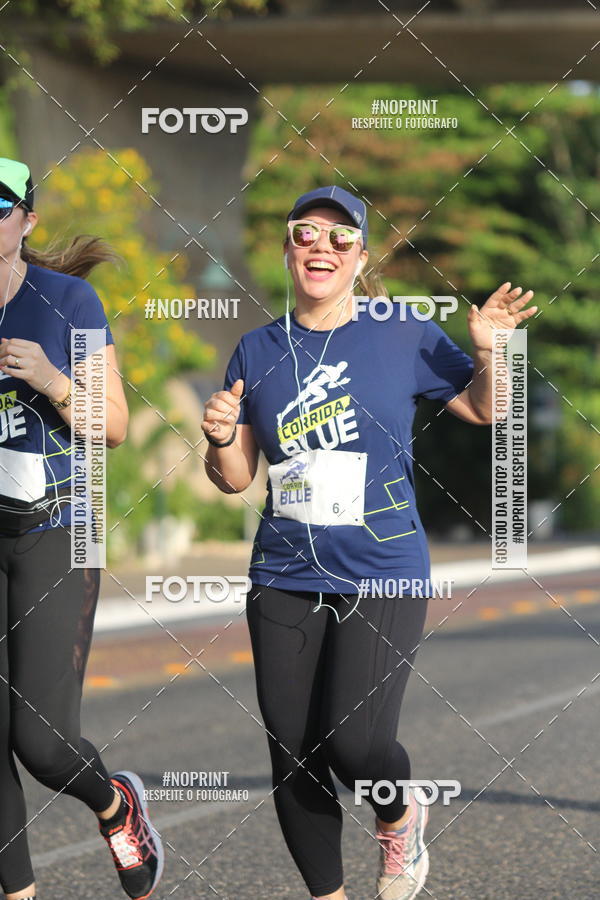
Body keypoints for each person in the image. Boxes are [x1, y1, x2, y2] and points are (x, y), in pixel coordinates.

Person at [202, 185, 536, 900]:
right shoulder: (257, 348)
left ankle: (399, 814)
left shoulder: (402, 330)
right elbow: (234, 479)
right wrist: (220, 435)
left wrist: (493, 353)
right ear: (287, 250)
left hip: (382, 567)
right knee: (294, 753)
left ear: (360, 256)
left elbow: (486, 409)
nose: (320, 247)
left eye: (340, 237)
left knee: (354, 744)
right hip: (285, 571)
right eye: (304, 233)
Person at [0, 158, 163, 900]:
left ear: (26, 220)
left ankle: (115, 803)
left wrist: (52, 380)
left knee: (41, 742)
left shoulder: (69, 301)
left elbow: (116, 425)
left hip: (60, 530)